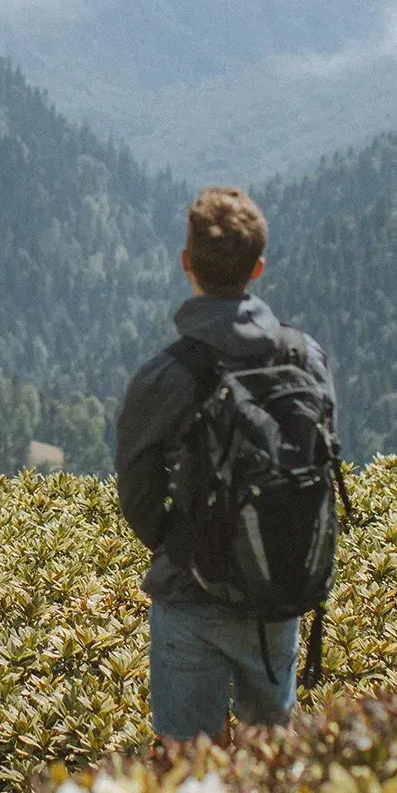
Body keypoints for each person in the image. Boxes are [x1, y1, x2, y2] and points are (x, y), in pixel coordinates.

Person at [115, 186, 338, 745]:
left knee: (188, 774)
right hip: (279, 589)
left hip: (191, 597)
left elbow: (137, 495)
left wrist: (188, 545)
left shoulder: (166, 375)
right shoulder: (303, 356)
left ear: (186, 262)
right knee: (271, 767)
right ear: (258, 267)